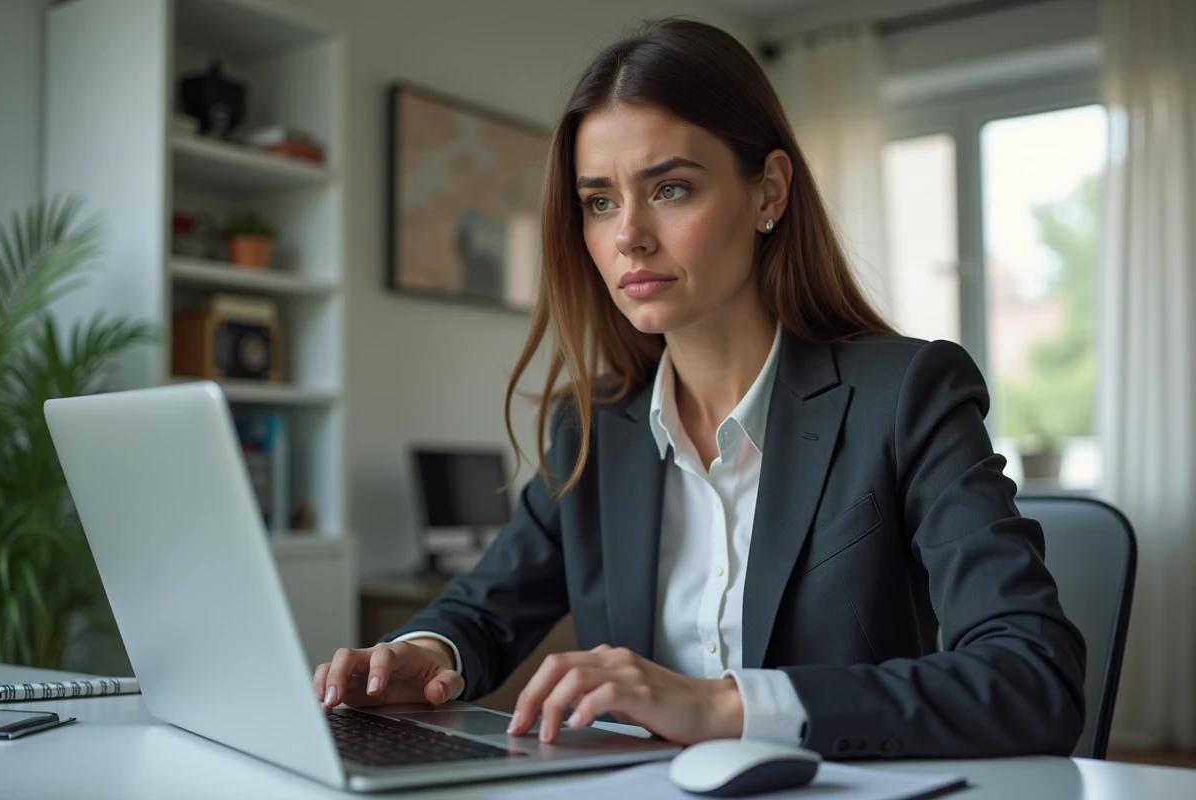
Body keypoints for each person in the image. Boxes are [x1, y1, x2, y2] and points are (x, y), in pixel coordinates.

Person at [314, 17, 1085, 759]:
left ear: (769, 193)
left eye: (671, 188)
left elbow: (1032, 679)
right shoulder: (592, 429)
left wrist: (722, 705)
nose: (628, 237)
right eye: (600, 202)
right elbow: (482, 610)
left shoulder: (907, 395)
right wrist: (418, 654)